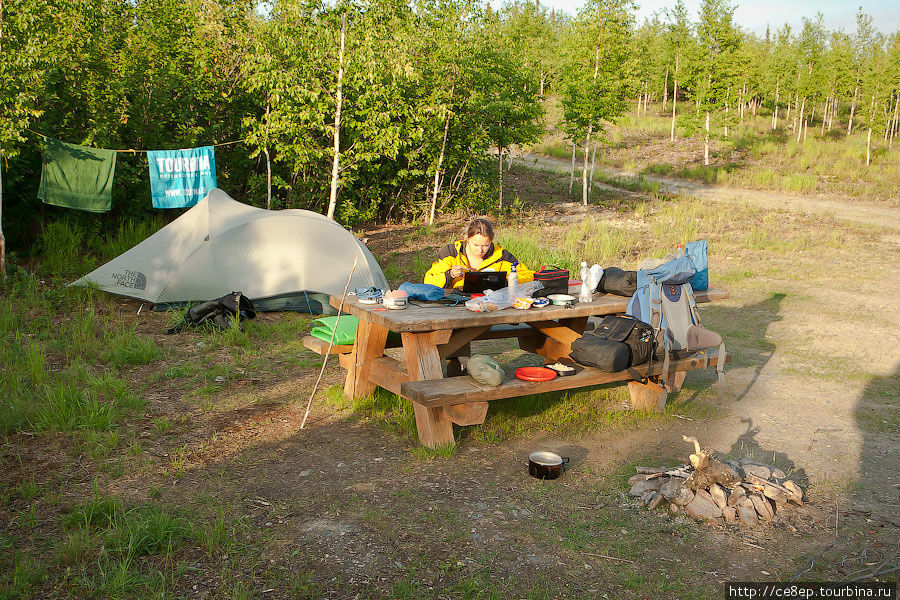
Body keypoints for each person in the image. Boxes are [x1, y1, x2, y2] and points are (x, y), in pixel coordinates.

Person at [424, 218, 534, 289]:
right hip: (455, 305)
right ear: (467, 238)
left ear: (491, 241)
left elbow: (528, 276)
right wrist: (450, 275)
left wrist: (504, 282)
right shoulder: (450, 253)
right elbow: (429, 282)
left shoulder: (502, 256)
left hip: (490, 306)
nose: (480, 250)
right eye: (475, 245)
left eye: (486, 245)